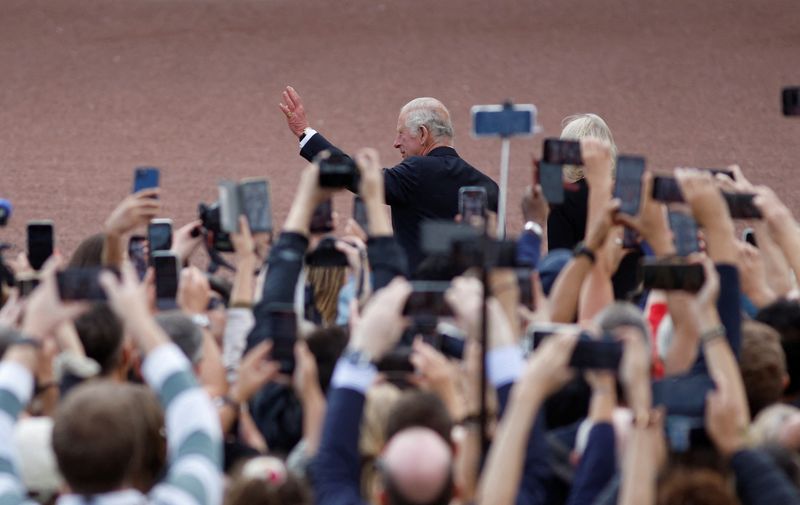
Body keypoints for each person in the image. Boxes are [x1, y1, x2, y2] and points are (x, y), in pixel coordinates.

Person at [279, 86, 500, 272]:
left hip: (417, 301)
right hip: (473, 305)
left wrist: (304, 132)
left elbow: (355, 176)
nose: (395, 143)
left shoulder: (416, 171)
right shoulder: (489, 187)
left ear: (423, 134)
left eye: (401, 133)